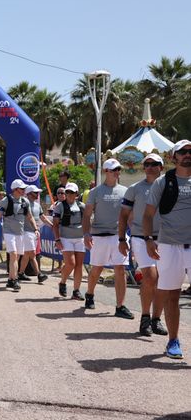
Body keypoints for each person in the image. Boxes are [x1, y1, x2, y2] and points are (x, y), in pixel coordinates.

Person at [144, 139, 191, 359]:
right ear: (174, 157)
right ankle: (173, 341)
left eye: (190, 151)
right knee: (172, 295)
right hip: (169, 245)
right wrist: (148, 240)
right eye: (182, 152)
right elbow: (148, 214)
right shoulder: (163, 182)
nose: (187, 155)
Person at [119, 153, 168, 336]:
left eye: (154, 163)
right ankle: (145, 318)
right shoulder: (134, 189)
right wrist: (122, 239)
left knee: (163, 281)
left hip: (165, 239)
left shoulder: (169, 188)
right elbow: (123, 215)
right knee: (150, 276)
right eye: (146, 163)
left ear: (161, 167)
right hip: (140, 237)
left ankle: (156, 319)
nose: (149, 166)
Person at [82, 158, 133, 319]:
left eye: (119, 169)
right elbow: (87, 214)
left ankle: (120, 306)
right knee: (97, 268)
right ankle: (89, 294)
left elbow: (129, 215)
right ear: (106, 171)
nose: (118, 172)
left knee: (120, 269)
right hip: (99, 236)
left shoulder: (125, 191)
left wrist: (137, 234)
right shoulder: (95, 192)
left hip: (119, 237)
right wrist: (86, 234)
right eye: (114, 169)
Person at [0, 179, 39, 292]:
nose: (24, 190)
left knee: (16, 257)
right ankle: (15, 280)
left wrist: (35, 229)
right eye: (22, 189)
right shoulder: (5, 201)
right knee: (13, 255)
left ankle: (10, 279)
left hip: (20, 233)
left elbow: (30, 217)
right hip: (9, 232)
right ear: (15, 189)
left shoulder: (24, 202)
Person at [53, 182, 86, 300]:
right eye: (67, 192)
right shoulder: (60, 206)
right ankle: (62, 282)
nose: (69, 194)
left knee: (79, 265)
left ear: (76, 194)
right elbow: (55, 225)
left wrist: (88, 236)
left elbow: (87, 222)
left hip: (80, 238)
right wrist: (57, 239)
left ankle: (76, 291)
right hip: (66, 238)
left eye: (72, 192)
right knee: (71, 263)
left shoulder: (82, 206)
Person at [18, 184, 51, 283]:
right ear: (29, 194)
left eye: (38, 192)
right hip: (26, 232)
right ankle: (39, 274)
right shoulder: (24, 203)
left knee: (27, 254)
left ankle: (21, 273)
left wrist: (52, 225)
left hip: (34, 232)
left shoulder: (37, 205)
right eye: (35, 192)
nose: (37, 194)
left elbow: (43, 217)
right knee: (32, 254)